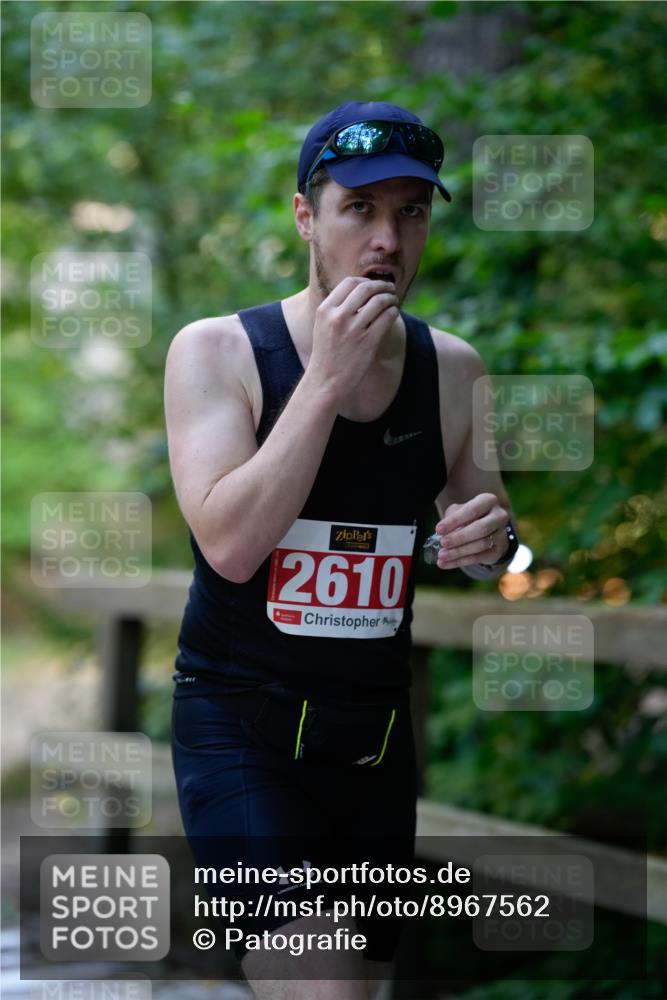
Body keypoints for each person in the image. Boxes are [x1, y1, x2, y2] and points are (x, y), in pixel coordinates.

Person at [164, 100, 518, 1000]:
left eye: (411, 213)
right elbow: (231, 546)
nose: (387, 240)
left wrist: (494, 542)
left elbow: (496, 547)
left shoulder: (455, 369)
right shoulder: (217, 351)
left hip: (374, 735)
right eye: (359, 209)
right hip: (241, 725)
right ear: (304, 217)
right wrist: (323, 380)